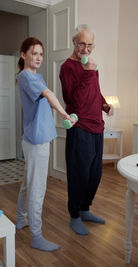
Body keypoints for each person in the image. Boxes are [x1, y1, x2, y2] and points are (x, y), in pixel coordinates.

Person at [16, 37, 75, 251]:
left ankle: (21, 219)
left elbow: (44, 102)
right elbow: (49, 95)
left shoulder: (37, 76)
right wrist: (64, 113)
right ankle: (36, 236)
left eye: (41, 54)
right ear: (23, 55)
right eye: (34, 53)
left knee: (27, 183)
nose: (39, 57)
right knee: (37, 188)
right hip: (36, 141)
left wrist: (62, 113)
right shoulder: (25, 76)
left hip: (37, 138)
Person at [59, 24, 113, 235]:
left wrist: (104, 104)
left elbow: (95, 91)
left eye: (90, 45)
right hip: (79, 126)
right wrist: (89, 73)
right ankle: (74, 215)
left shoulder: (91, 66)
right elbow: (74, 102)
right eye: (82, 43)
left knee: (94, 174)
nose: (86, 49)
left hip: (96, 126)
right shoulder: (67, 67)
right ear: (74, 42)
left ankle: (84, 209)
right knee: (79, 174)